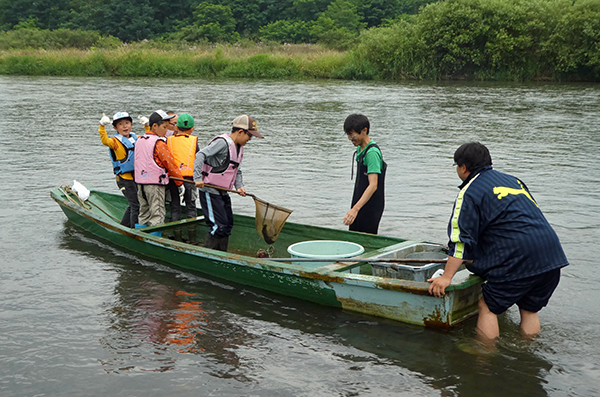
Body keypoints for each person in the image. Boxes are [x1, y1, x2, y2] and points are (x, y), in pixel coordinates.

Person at [428, 142, 569, 341]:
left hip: (519, 258)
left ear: (463, 167)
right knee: (529, 309)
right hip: (551, 256)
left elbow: (460, 241)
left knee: (487, 307)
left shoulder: (469, 192)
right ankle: (527, 354)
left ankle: (484, 361)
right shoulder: (514, 181)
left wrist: (446, 277)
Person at [193, 115, 264, 251]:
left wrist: (239, 186)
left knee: (227, 224)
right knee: (217, 226)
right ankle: (208, 254)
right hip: (209, 190)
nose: (250, 140)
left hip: (222, 191)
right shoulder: (222, 143)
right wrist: (197, 178)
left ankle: (222, 254)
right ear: (240, 132)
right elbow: (200, 155)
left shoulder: (239, 147)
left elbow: (236, 169)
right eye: (250, 136)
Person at [134, 110, 183, 230]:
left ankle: (140, 234)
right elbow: (170, 164)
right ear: (155, 126)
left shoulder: (139, 140)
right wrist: (179, 182)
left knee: (144, 212)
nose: (166, 130)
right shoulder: (159, 143)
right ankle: (154, 240)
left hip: (140, 183)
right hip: (155, 185)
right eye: (164, 127)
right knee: (158, 213)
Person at [343, 114, 386, 234]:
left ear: (364, 131)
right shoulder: (360, 149)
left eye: (353, 135)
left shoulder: (372, 153)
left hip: (370, 207)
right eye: (348, 135)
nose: (351, 139)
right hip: (359, 202)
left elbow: (373, 185)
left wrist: (355, 209)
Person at [98, 111, 140, 228]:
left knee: (134, 203)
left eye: (127, 123)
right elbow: (104, 140)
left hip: (136, 177)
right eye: (120, 124)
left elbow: (148, 137)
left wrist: (147, 125)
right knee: (136, 204)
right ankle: (134, 229)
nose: (125, 126)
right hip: (124, 178)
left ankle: (124, 225)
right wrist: (102, 126)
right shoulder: (115, 142)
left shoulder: (135, 138)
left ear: (131, 125)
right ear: (115, 128)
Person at [166, 113, 200, 243]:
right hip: (189, 179)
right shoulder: (194, 140)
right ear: (192, 128)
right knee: (191, 206)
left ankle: (177, 238)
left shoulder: (168, 140)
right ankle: (192, 240)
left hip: (173, 179)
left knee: (175, 207)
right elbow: (198, 159)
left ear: (176, 127)